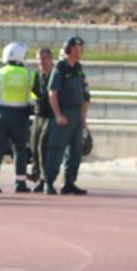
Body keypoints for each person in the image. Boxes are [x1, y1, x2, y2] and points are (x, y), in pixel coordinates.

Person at [0, 42, 37, 193]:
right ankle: (20, 183)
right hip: (20, 117)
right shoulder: (30, 75)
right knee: (20, 150)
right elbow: (37, 97)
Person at [43, 37, 91, 195]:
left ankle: (69, 182)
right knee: (56, 149)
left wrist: (83, 119)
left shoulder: (78, 68)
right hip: (64, 114)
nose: (79, 53)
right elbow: (52, 93)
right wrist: (57, 114)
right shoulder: (60, 69)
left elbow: (85, 95)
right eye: (76, 49)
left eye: (81, 49)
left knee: (76, 151)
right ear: (68, 51)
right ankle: (49, 182)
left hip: (76, 115)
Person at [28, 46, 55, 192]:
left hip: (51, 115)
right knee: (34, 145)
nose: (41, 62)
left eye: (44, 59)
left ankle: (46, 180)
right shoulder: (35, 76)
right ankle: (37, 176)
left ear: (51, 59)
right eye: (38, 59)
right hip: (38, 114)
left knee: (43, 146)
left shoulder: (56, 75)